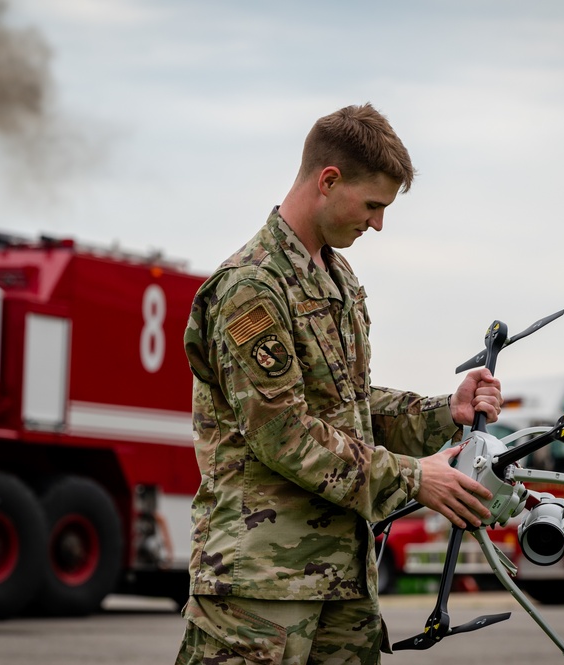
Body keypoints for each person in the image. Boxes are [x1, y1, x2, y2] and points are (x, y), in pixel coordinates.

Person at [175, 103, 502, 664]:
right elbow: (283, 432)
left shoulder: (338, 276)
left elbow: (349, 405)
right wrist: (410, 477)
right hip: (261, 589)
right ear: (328, 181)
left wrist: (446, 411)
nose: (378, 223)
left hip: (342, 582)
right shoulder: (251, 288)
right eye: (373, 205)